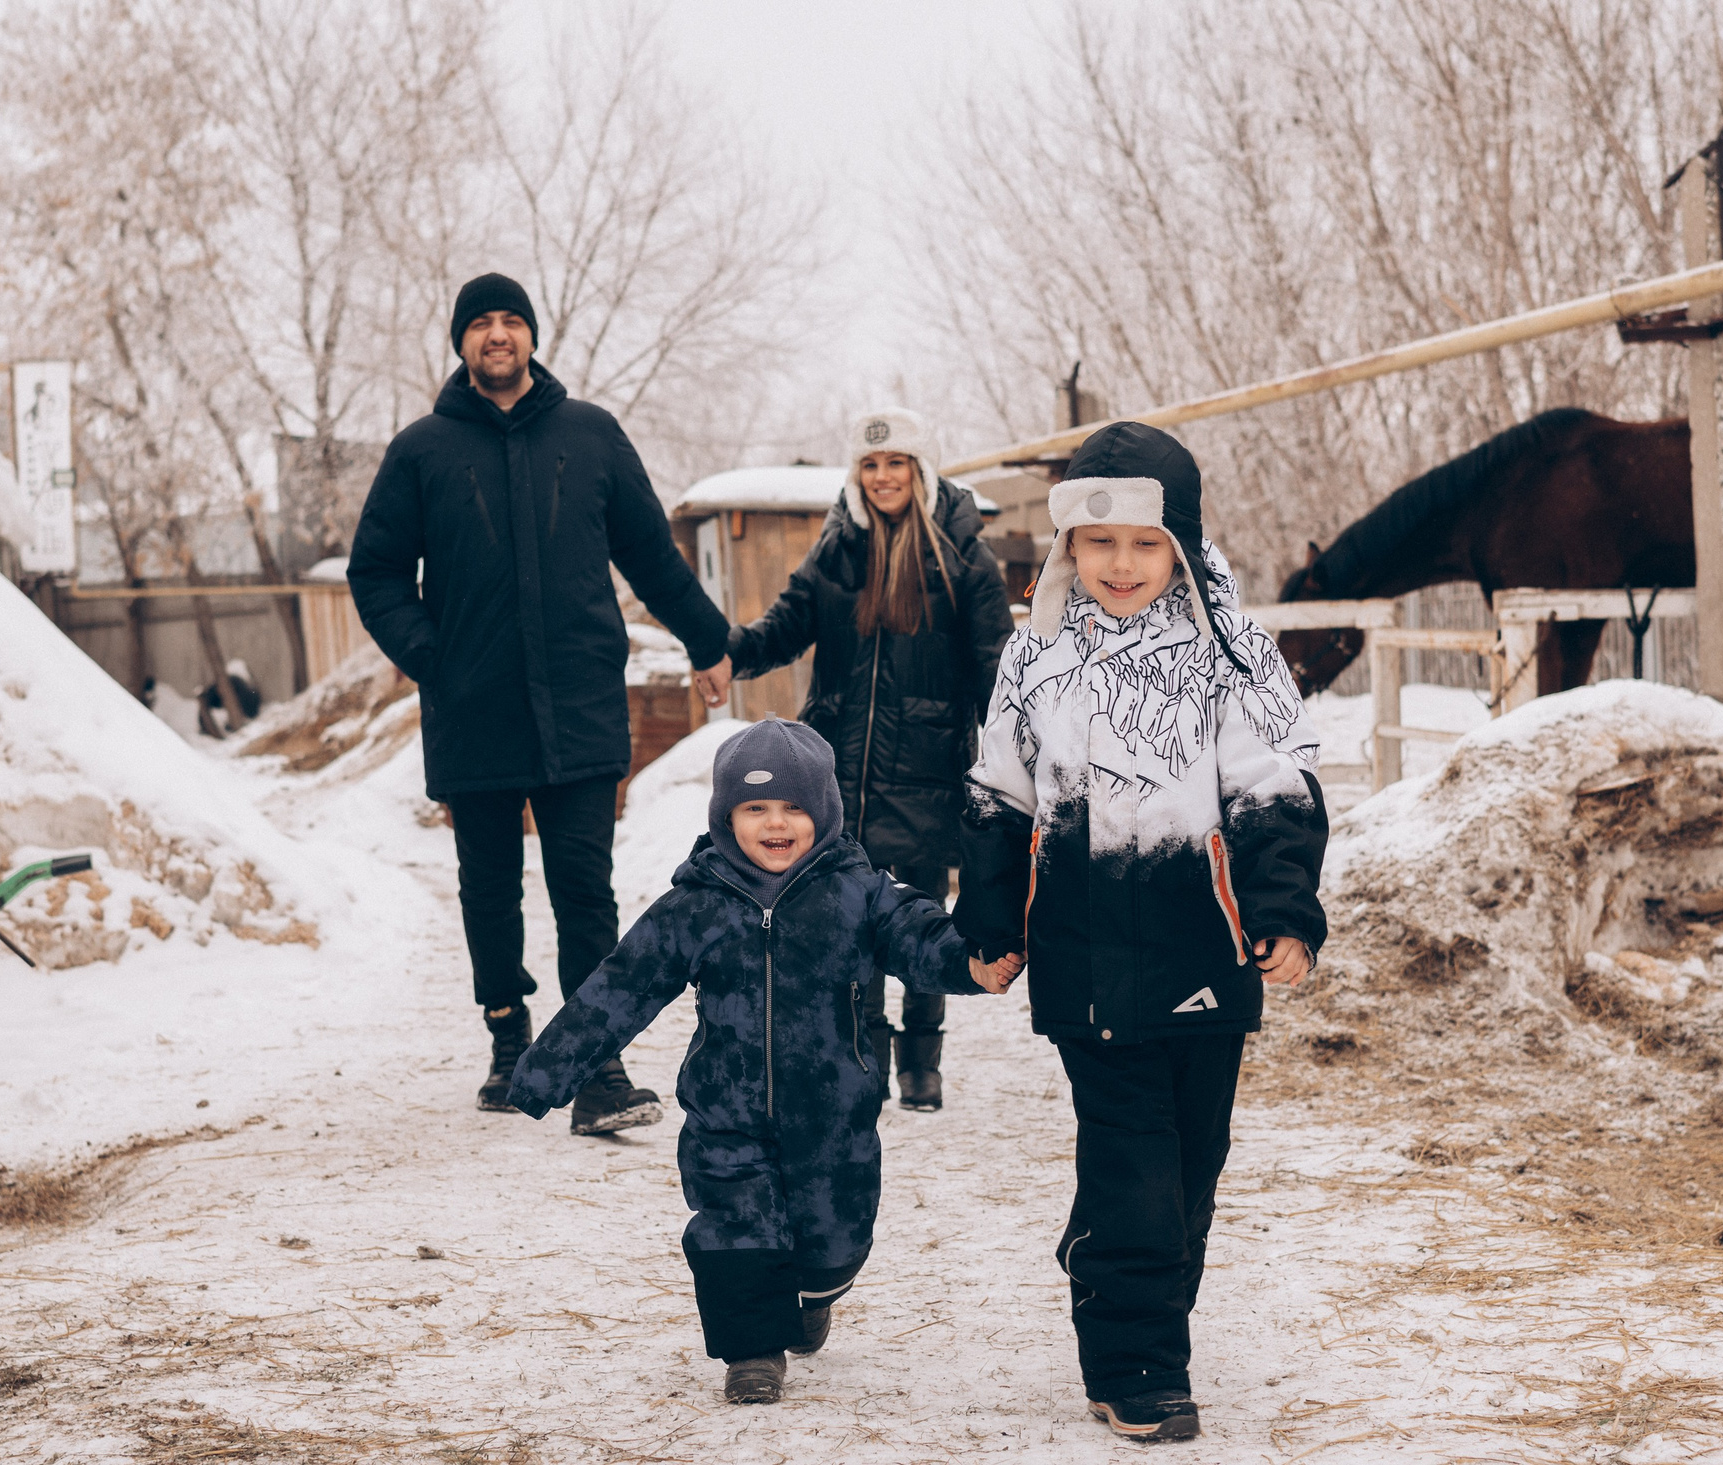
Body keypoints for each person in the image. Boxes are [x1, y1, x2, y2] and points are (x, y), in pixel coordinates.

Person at [954, 421, 1328, 1442]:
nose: (1120, 565)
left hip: (1203, 950)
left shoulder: (1231, 655)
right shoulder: (1035, 655)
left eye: (1144, 543)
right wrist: (989, 921)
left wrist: (1286, 910)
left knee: (1189, 1169)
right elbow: (999, 795)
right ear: (1069, 544)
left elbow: (1274, 790)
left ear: (1182, 546)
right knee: (1134, 1170)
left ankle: (1115, 1266)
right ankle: (1138, 1365)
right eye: (1098, 540)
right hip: (1084, 962)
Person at [505, 718, 1016, 1404]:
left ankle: (815, 1293)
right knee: (733, 1231)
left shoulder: (860, 892)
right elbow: (619, 987)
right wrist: (547, 1069)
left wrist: (973, 961)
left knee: (834, 1241)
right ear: (726, 815)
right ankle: (751, 1350)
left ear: (825, 813)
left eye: (794, 807)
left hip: (833, 1119)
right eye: (755, 808)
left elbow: (922, 933)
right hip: (725, 1114)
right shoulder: (696, 904)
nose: (776, 823)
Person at [348, 272, 735, 1135]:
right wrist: (430, 656)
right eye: (480, 323)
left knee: (583, 891)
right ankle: (506, 1034)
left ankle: (596, 1065)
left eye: (510, 321)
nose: (496, 335)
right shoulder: (421, 451)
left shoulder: (589, 435)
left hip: (580, 702)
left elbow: (650, 553)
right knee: (488, 890)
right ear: (460, 343)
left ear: (531, 336)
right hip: (472, 706)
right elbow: (373, 572)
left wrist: (708, 641)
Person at [726, 409, 1014, 1110]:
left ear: (920, 469)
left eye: (896, 463)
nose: (883, 476)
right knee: (851, 926)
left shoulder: (961, 555)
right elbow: (784, 626)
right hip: (840, 771)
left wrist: (1015, 762)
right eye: (871, 465)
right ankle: (865, 1057)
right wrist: (721, 649)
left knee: (919, 918)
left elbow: (996, 669)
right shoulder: (837, 551)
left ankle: (922, 1064)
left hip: (927, 768)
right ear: (858, 476)